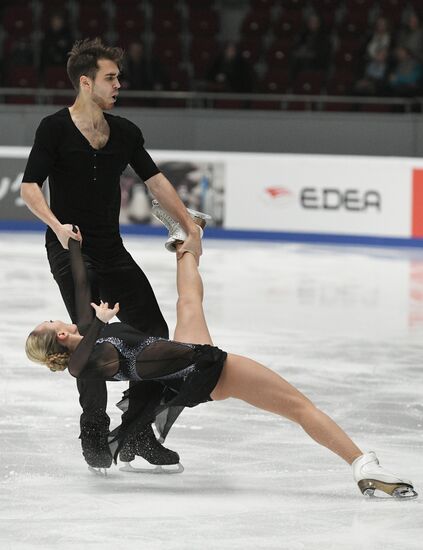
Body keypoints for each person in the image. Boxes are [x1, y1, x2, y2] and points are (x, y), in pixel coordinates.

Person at [25, 203, 418, 500]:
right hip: (202, 370)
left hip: (188, 360)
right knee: (300, 408)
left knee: (188, 303)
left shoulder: (90, 334)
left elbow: (79, 284)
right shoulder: (85, 360)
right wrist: (99, 324)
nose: (55, 319)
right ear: (59, 337)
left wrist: (71, 244)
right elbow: (84, 360)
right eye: (50, 323)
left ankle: (185, 236)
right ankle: (363, 465)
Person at [20, 38, 202, 474]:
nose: (119, 83)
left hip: (113, 249)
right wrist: (56, 226)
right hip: (71, 249)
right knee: (91, 338)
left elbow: (154, 180)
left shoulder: (124, 131)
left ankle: (137, 430)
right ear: (86, 83)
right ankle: (94, 429)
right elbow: (29, 187)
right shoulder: (54, 128)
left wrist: (188, 224)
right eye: (110, 77)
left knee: (157, 334)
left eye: (117, 77)